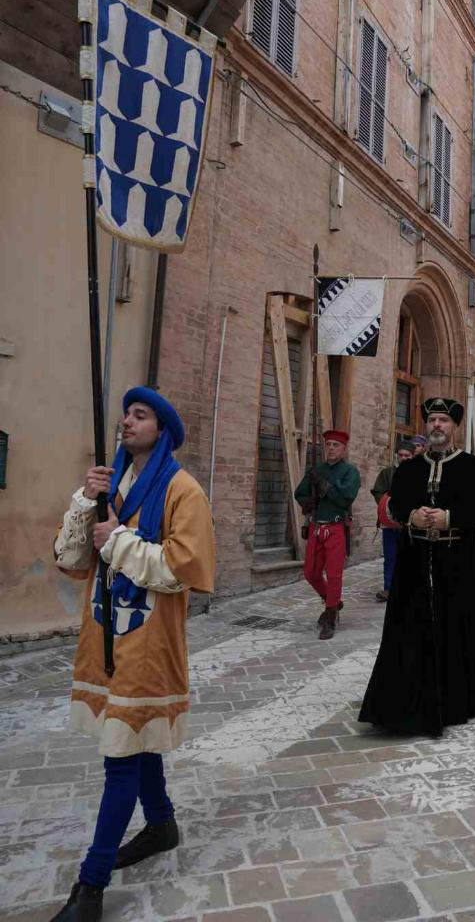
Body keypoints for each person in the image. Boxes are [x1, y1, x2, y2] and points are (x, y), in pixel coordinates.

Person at [50, 387, 215, 922]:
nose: (126, 421)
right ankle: (162, 824)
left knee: (119, 755)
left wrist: (117, 539)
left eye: (140, 415)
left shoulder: (183, 490)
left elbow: (183, 570)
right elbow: (73, 560)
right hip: (103, 637)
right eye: (126, 413)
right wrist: (84, 500)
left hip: (148, 644)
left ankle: (90, 888)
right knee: (136, 739)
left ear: (161, 429)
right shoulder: (110, 485)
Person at [358, 397, 475, 737]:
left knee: (460, 627)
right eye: (433, 419)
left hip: (460, 563)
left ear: (455, 428)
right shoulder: (408, 470)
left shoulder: (474, 467)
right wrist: (412, 515)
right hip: (415, 565)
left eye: (444, 421)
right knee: (412, 629)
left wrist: (450, 516)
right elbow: (395, 509)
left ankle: (460, 697)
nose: (437, 425)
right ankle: (407, 700)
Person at [294, 429, 361, 639]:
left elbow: (345, 498)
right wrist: (309, 501)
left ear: (344, 449)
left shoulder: (350, 472)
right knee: (311, 573)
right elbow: (300, 492)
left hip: (336, 528)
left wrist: (325, 487)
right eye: (329, 445)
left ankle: (330, 616)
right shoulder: (317, 469)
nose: (331, 448)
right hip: (316, 527)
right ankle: (332, 601)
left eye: (336, 445)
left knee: (334, 575)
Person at [371, 441, 415, 602]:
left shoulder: (420, 474)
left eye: (407, 456)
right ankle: (389, 588)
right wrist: (388, 504)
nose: (403, 458)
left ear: (412, 456)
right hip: (390, 524)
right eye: (401, 455)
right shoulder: (387, 473)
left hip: (411, 525)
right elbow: (378, 492)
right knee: (390, 556)